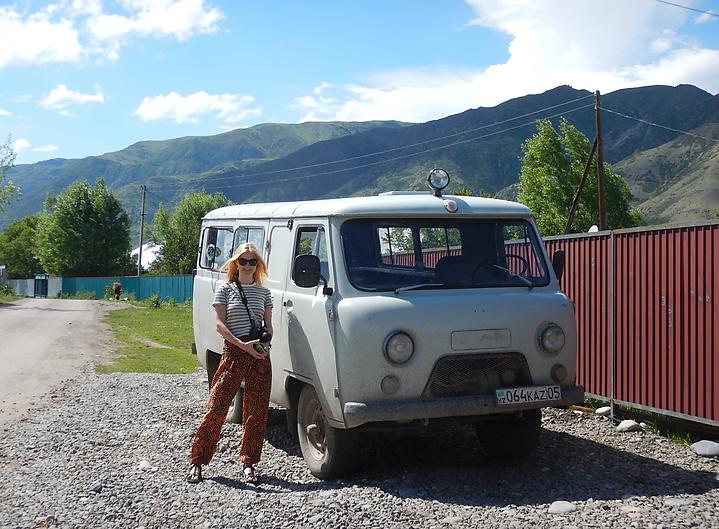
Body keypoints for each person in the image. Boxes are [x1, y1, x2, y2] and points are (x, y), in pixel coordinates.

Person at [186, 242, 273, 485]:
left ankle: (249, 464)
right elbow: (219, 324)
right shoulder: (225, 289)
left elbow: (269, 326)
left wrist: (265, 344)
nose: (247, 265)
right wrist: (242, 345)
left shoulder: (264, 293)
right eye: (243, 261)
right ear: (236, 263)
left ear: (258, 265)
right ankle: (197, 461)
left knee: (256, 412)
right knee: (217, 407)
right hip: (234, 352)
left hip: (259, 355)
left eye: (252, 261)